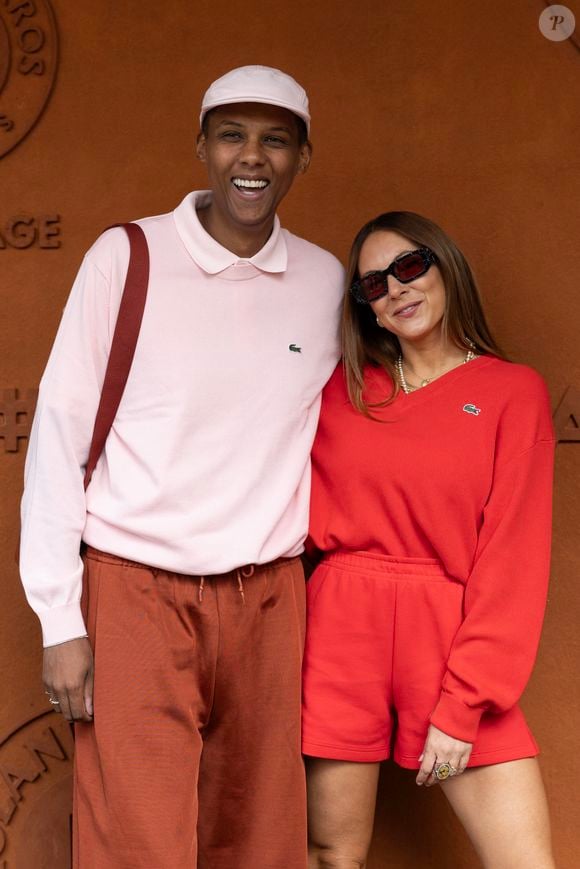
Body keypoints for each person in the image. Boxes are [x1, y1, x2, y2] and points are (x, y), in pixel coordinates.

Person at [19, 65, 344, 868]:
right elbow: (58, 432)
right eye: (233, 133)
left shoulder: (324, 280)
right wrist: (61, 618)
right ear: (200, 144)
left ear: (305, 156)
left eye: (276, 139)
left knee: (261, 834)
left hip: (269, 596)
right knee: (136, 838)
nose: (252, 157)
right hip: (137, 590)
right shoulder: (125, 256)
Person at [302, 211, 556, 868]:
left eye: (410, 267)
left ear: (447, 268)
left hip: (446, 637)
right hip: (338, 630)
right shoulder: (338, 388)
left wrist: (463, 702)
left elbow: (513, 558)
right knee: (331, 854)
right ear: (367, 310)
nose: (396, 289)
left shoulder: (510, 391)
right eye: (373, 286)